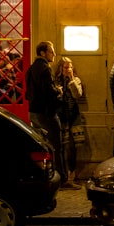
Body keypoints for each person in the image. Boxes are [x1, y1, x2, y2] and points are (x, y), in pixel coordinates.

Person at [25, 41, 69, 186]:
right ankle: (61, 178)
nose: (54, 54)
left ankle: (46, 175)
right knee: (56, 145)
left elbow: (28, 93)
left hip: (34, 111)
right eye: (51, 51)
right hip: (46, 113)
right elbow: (48, 92)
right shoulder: (44, 68)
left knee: (43, 146)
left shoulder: (31, 68)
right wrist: (59, 91)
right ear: (43, 53)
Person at [53, 56, 84, 185]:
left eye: (70, 67)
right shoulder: (55, 81)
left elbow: (78, 94)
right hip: (61, 116)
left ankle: (72, 173)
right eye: (66, 67)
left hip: (73, 116)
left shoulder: (76, 80)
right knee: (63, 146)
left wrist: (71, 80)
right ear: (61, 68)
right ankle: (63, 175)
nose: (68, 69)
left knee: (73, 146)